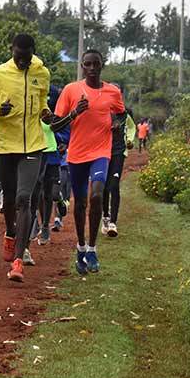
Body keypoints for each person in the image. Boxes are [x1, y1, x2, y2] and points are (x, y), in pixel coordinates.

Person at [0, 33, 51, 283]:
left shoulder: (42, 73)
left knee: (24, 198)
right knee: (9, 199)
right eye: (19, 57)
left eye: (26, 58)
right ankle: (10, 231)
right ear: (12, 51)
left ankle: (18, 260)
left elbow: (42, 100)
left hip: (33, 144)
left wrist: (45, 112)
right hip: (6, 145)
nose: (22, 62)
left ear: (33, 53)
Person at [48, 49, 125, 275]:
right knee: (80, 203)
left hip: (101, 152)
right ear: (82, 66)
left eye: (95, 64)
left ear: (102, 66)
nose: (91, 68)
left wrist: (117, 123)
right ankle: (81, 246)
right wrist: (74, 113)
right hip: (77, 155)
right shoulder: (71, 90)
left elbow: (121, 113)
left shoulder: (112, 92)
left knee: (97, 195)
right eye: (87, 64)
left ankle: (92, 249)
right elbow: (55, 125)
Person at [101, 107, 136, 238]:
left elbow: (131, 127)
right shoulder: (101, 110)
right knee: (104, 187)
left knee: (114, 185)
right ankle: (105, 216)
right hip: (102, 152)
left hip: (118, 152)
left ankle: (113, 223)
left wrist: (130, 140)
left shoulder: (124, 114)